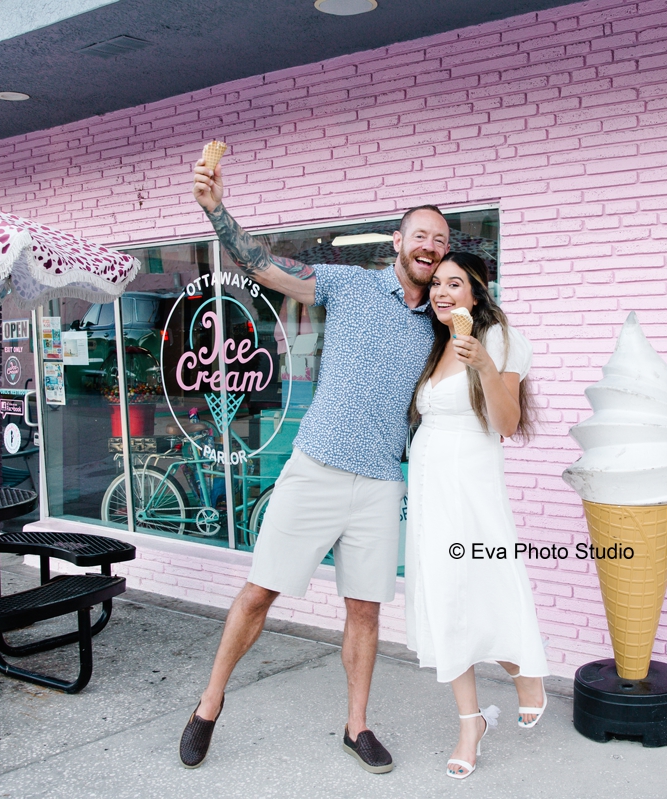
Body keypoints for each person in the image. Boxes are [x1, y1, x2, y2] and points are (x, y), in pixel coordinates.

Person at [184, 151, 449, 774]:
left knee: (365, 609)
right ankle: (208, 705)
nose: (430, 247)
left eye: (440, 240)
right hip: (317, 468)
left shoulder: (440, 323)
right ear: (398, 241)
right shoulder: (350, 284)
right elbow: (262, 265)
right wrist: (217, 211)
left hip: (380, 483)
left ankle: (357, 726)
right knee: (260, 592)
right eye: (421, 235)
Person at [404, 251, 549, 780]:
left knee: (485, 586)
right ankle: (471, 724)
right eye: (436, 284)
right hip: (429, 486)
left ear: (476, 292)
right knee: (445, 599)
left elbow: (507, 424)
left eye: (455, 284)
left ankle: (523, 672)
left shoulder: (499, 339)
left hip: (471, 485)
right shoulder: (436, 343)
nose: (442, 293)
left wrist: (484, 363)